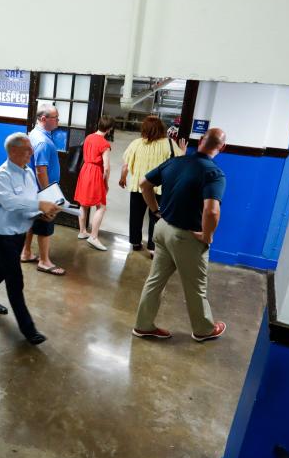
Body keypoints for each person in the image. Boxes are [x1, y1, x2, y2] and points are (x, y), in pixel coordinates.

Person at [132, 128, 228, 343]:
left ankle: (143, 325)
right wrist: (208, 236)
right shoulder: (214, 173)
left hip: (162, 228)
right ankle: (204, 330)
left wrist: (156, 211)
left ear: (201, 140)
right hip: (187, 237)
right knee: (195, 288)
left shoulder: (175, 162)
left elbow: (144, 185)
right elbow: (211, 210)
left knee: (155, 281)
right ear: (223, 147)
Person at [0, 133, 63, 345]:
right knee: (15, 280)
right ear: (13, 152)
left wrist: (41, 213)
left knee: (0, 266)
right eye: (27, 150)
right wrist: (38, 206)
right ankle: (28, 329)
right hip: (3, 235)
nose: (32, 153)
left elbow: (31, 201)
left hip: (19, 234)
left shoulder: (28, 172)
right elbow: (11, 204)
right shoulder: (1, 176)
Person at [119, 115, 186, 252]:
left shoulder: (136, 143)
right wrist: (183, 151)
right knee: (156, 217)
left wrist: (123, 178)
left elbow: (125, 165)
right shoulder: (169, 144)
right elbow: (179, 163)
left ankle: (136, 243)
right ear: (161, 128)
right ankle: (152, 247)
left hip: (138, 187)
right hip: (159, 189)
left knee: (136, 216)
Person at [20, 103, 64, 275]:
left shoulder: (35, 134)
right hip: (42, 191)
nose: (58, 121)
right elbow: (40, 170)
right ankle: (44, 262)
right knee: (46, 223)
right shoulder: (42, 142)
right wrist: (48, 196)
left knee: (33, 221)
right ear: (43, 119)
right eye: (56, 118)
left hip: (33, 190)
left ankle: (26, 252)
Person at [74, 115, 115, 251]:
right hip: (95, 172)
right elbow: (107, 167)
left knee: (84, 203)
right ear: (109, 129)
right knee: (101, 206)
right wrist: (106, 183)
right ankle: (94, 237)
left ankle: (82, 231)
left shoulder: (89, 137)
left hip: (85, 169)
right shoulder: (105, 144)